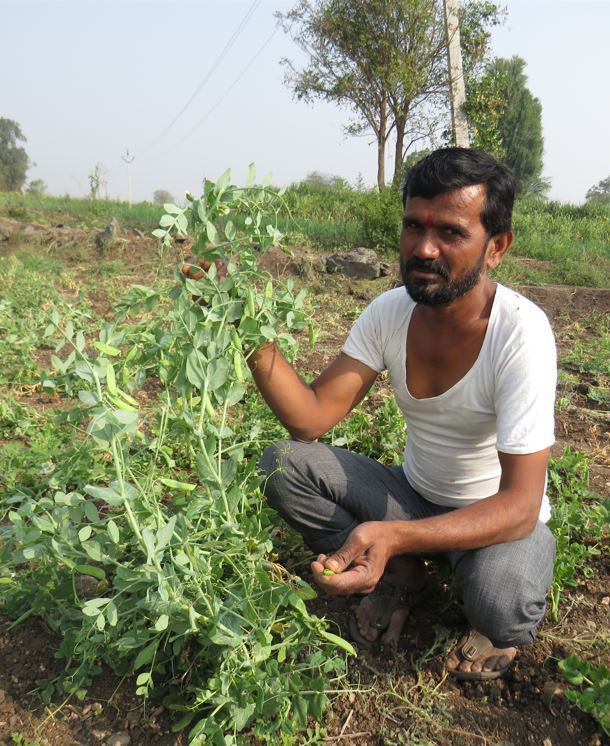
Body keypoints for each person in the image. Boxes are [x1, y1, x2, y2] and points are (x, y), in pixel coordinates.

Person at [225, 148, 556, 680]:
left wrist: (393, 534)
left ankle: (416, 567)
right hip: (414, 495)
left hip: (495, 520)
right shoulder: (390, 312)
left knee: (499, 602)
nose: (424, 248)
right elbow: (310, 418)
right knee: (285, 465)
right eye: (413, 226)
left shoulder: (521, 333)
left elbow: (520, 505)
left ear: (496, 247)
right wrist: (235, 313)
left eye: (450, 232)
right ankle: (402, 576)